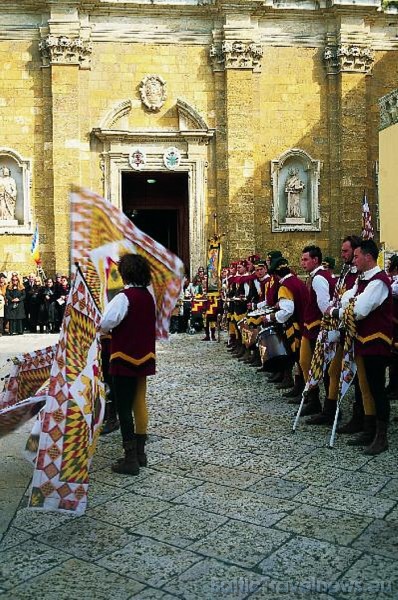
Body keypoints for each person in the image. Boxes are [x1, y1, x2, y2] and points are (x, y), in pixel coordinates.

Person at [333, 239, 393, 454]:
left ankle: (381, 435)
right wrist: (345, 305)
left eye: (357, 256)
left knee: (377, 388)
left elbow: (360, 309)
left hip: (376, 342)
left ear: (368, 257)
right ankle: (369, 428)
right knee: (365, 387)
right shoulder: (363, 280)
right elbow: (348, 298)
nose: (354, 260)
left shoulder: (378, 281)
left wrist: (337, 311)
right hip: (362, 340)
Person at [100, 254, 156, 475]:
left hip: (124, 357)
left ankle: (130, 458)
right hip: (144, 356)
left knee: (123, 407)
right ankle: (141, 453)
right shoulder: (147, 296)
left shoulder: (124, 297)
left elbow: (107, 322)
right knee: (140, 402)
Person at [299, 245, 334, 415]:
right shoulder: (315, 276)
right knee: (305, 362)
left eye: (306, 259)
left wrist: (324, 325)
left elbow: (324, 305)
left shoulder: (319, 278)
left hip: (317, 327)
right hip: (310, 326)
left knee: (319, 366)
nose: (302, 263)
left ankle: (323, 403)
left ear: (315, 260)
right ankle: (313, 399)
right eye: (302, 259)